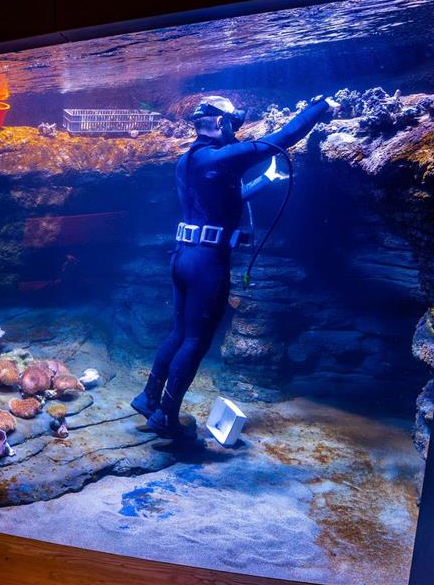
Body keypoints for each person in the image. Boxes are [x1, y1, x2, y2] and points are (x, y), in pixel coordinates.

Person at [132, 94, 335, 438]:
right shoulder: (222, 157)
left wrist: (265, 181)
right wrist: (320, 106)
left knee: (179, 332)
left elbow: (220, 202)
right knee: (196, 339)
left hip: (183, 255)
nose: (236, 130)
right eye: (233, 123)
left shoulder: (189, 160)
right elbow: (282, 139)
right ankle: (166, 417)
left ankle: (149, 398)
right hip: (207, 262)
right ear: (221, 123)